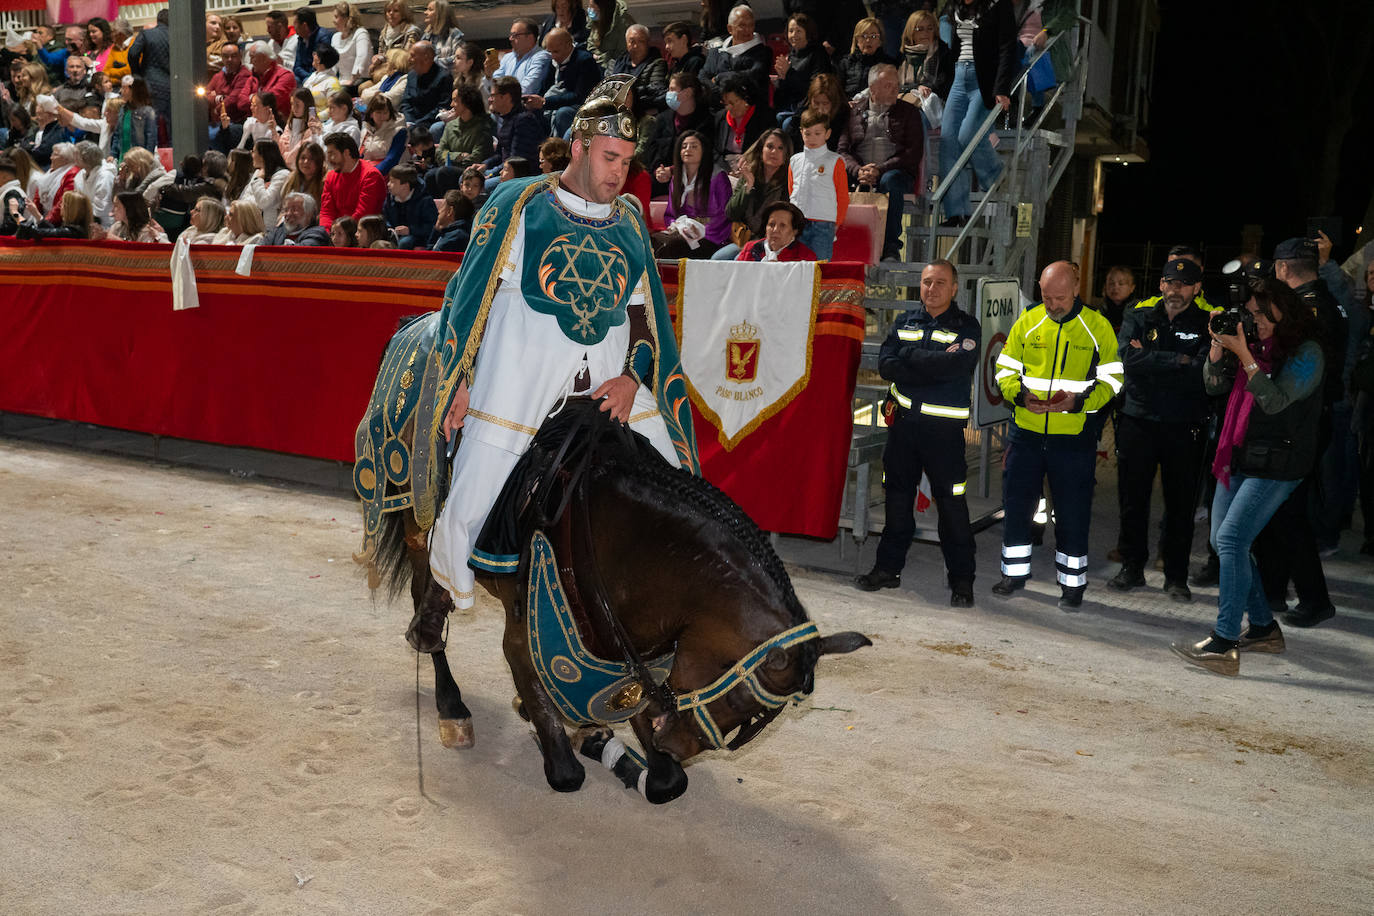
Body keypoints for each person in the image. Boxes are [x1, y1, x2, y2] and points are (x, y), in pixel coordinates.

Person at [424, 75, 698, 611]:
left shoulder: (631, 223)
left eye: (627, 162)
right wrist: (460, 380)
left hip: (607, 384)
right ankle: (440, 589)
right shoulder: (519, 202)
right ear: (578, 147)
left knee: (680, 481)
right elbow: (470, 295)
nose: (619, 173)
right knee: (469, 504)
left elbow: (646, 321)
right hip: (518, 379)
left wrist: (631, 379)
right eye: (609, 158)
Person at [1171, 278, 1326, 676]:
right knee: (1226, 543)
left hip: (1280, 463)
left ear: (1282, 311)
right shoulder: (1251, 346)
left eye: (1261, 314)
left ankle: (1224, 643)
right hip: (1239, 455)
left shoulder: (1307, 353)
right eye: (1251, 314)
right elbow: (1211, 384)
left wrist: (1246, 357)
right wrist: (1221, 350)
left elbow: (1274, 401)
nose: (1254, 321)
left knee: (1232, 539)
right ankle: (1262, 628)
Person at [993, 260, 1122, 609]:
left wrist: (1079, 403)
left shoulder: (1097, 326)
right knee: (1018, 507)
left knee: (1073, 512)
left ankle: (1072, 584)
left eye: (1060, 298)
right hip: (1026, 434)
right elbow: (1004, 367)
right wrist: (1019, 395)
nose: (1052, 305)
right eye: (1047, 297)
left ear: (1077, 289)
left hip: (1073, 438)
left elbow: (1113, 380)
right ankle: (1014, 573)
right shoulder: (1029, 319)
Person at [857, 259, 980, 604]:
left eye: (940, 283)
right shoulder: (905, 320)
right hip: (904, 430)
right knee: (897, 501)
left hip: (943, 436)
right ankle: (887, 569)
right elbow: (885, 365)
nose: (932, 289)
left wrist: (909, 358)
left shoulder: (967, 327)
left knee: (952, 506)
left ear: (954, 288)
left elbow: (956, 367)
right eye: (927, 282)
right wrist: (930, 360)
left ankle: (962, 581)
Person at [1251, 237, 1347, 628]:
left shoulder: (1306, 309)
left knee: (1289, 511)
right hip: (1307, 414)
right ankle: (1273, 589)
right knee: (1278, 510)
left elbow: (1297, 364)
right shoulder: (1325, 302)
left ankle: (1313, 597)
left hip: (1299, 418)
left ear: (1284, 268)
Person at [1108, 257, 1211, 601]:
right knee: (1132, 499)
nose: (1175, 290)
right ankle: (1132, 567)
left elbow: (1200, 372)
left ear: (1197, 289)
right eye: (1169, 283)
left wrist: (1154, 360)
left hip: (1183, 426)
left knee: (1180, 505)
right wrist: (1177, 360)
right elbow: (1127, 360)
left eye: (1183, 285)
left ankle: (1176, 577)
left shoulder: (1204, 323)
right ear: (1161, 285)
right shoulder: (1139, 315)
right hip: (1138, 421)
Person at [938, 0, 1017, 227]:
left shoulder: (997, 5)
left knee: (968, 135)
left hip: (984, 80)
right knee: (948, 143)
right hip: (958, 78)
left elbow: (1007, 46)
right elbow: (949, 49)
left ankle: (995, 175)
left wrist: (1002, 88)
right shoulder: (953, 8)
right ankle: (957, 212)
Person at [837, 63, 922, 262]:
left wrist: (880, 169)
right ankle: (849, 245)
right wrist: (858, 170)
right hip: (861, 171)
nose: (896, 90)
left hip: (896, 171)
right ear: (873, 89)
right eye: (888, 86)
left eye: (897, 85)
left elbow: (912, 153)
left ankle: (891, 247)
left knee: (890, 182)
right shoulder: (853, 112)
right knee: (835, 179)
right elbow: (842, 151)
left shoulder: (909, 112)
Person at [711, 127, 789, 260]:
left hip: (773, 243)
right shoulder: (749, 175)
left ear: (786, 154)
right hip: (746, 240)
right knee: (717, 260)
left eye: (780, 148)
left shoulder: (787, 182)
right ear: (761, 150)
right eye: (770, 146)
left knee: (740, 261)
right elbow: (731, 213)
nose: (774, 152)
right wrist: (748, 186)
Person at [652, 129, 730, 259]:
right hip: (682, 232)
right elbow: (671, 214)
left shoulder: (717, 177)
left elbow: (725, 215)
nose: (688, 149)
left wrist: (700, 231)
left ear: (704, 151)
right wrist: (678, 226)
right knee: (654, 240)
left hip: (711, 236)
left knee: (673, 245)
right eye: (684, 146)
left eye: (694, 146)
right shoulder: (676, 178)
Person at [788, 107, 848, 261]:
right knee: (795, 266)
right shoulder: (795, 160)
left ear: (827, 134)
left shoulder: (835, 161)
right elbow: (791, 189)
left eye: (817, 133)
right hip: (797, 224)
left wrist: (836, 223)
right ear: (801, 132)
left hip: (823, 225)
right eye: (807, 133)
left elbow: (842, 196)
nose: (812, 138)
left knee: (819, 269)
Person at [641, 71, 710, 182]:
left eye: (672, 90)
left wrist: (672, 170)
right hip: (659, 177)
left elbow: (705, 156)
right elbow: (652, 149)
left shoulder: (705, 121)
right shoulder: (663, 118)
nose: (668, 94)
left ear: (687, 93)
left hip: (690, 177)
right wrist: (658, 169)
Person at [483, 76, 547, 188]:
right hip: (505, 170)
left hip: (521, 178)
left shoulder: (524, 120)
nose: (490, 99)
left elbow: (516, 161)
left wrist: (491, 173)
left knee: (481, 186)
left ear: (506, 97)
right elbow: (500, 154)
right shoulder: (506, 119)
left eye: (493, 95)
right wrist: (484, 165)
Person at [699, 5, 771, 104]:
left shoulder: (762, 53)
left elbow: (751, 76)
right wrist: (720, 93)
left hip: (749, 110)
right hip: (716, 110)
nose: (748, 30)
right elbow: (703, 78)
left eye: (751, 25)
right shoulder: (716, 52)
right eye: (742, 25)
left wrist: (718, 78)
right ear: (730, 29)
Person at [772, 13, 832, 128]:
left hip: (809, 107)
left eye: (798, 31)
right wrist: (780, 80)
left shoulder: (818, 54)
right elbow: (786, 92)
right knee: (775, 118)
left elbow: (815, 89)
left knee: (788, 124)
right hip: (791, 106)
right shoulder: (790, 56)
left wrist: (788, 74)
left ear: (808, 33)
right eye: (791, 31)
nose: (794, 35)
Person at [319, 132, 385, 230]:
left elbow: (363, 214)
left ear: (346, 153)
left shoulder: (370, 176)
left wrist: (338, 234)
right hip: (337, 233)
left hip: (362, 232)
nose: (328, 159)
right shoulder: (331, 176)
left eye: (332, 154)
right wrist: (327, 233)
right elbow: (326, 212)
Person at [712, 76, 776, 173]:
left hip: (751, 168)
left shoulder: (764, 118)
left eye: (732, 103)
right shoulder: (720, 117)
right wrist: (725, 168)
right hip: (723, 168)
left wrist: (746, 166)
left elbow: (763, 150)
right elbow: (714, 150)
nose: (728, 108)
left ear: (746, 100)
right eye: (725, 103)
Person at [897, 10, 954, 113]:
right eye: (920, 29)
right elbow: (896, 86)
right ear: (911, 32)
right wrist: (916, 88)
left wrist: (925, 90)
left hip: (935, 102)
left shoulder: (943, 53)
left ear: (935, 31)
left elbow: (945, 86)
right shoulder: (902, 55)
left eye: (930, 28)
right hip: (906, 98)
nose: (925, 33)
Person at [207, 42, 258, 151]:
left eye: (233, 56)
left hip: (236, 121)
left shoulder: (245, 74)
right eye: (226, 56)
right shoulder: (218, 75)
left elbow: (233, 101)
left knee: (212, 136)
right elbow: (205, 95)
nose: (229, 59)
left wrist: (216, 108)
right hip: (217, 121)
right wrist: (219, 98)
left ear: (240, 56)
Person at [128, 8, 171, 138]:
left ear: (158, 20)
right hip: (174, 85)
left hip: (150, 84)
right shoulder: (179, 36)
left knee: (150, 125)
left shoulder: (147, 34)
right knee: (173, 127)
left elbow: (133, 53)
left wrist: (137, 74)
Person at [609, 25, 666, 113]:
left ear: (648, 43)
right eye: (632, 41)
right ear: (626, 43)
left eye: (641, 41)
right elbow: (608, 90)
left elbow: (655, 92)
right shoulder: (615, 63)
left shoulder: (657, 63)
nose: (635, 46)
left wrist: (628, 92)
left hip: (645, 113)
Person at [734, 200, 815, 262]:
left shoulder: (806, 257)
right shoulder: (751, 249)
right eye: (771, 224)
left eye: (782, 225)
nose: (775, 230)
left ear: (795, 231)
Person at [836, 18, 896, 100]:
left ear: (880, 41)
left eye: (874, 36)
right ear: (857, 40)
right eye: (863, 36)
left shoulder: (888, 64)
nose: (868, 40)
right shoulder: (846, 63)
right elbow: (838, 93)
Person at [436, 84, 493, 170]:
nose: (451, 104)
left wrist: (449, 156)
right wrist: (460, 156)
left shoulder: (482, 128)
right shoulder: (451, 126)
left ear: (467, 102)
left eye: (455, 100)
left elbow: (476, 158)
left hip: (471, 171)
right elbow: (440, 153)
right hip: (450, 168)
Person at [381, 163, 437, 249]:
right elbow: (386, 218)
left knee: (405, 242)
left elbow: (431, 227)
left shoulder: (425, 201)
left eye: (392, 182)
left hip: (418, 238)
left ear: (405, 185)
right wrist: (389, 229)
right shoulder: (389, 199)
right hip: (394, 235)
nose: (388, 184)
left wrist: (410, 230)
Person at [401, 42, 453, 131]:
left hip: (429, 124)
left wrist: (417, 125)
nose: (409, 59)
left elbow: (442, 108)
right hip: (410, 123)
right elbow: (406, 102)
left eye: (413, 56)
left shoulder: (444, 77)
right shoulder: (411, 75)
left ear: (426, 58)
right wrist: (409, 121)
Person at [494, 17, 553, 96]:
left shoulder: (541, 56)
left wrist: (502, 96)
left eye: (515, 35)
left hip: (527, 106)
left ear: (530, 37)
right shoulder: (507, 57)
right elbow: (495, 84)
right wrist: (488, 75)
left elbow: (528, 88)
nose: (510, 39)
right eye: (511, 35)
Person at [248, 41, 297, 124]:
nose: (250, 62)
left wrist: (251, 98)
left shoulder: (285, 76)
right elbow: (240, 102)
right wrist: (255, 101)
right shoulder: (253, 76)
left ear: (263, 58)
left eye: (253, 57)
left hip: (278, 123)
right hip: (254, 121)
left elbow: (269, 102)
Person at [16, 188, 92, 239]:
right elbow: (53, 231)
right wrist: (37, 214)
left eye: (64, 205)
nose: (61, 207)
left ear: (71, 210)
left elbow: (39, 233)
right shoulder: (76, 230)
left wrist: (18, 217)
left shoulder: (73, 231)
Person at [360, 95, 408, 175]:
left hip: (391, 174)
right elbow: (360, 156)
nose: (382, 116)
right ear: (371, 114)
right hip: (368, 170)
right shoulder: (365, 129)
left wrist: (370, 174)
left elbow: (392, 160)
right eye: (378, 112)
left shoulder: (400, 131)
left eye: (385, 113)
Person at [331, 3, 372, 93]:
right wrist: (330, 80)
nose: (333, 21)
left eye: (336, 17)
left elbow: (362, 57)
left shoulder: (361, 33)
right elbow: (333, 64)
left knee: (339, 93)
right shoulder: (335, 37)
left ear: (347, 18)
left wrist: (352, 80)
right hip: (342, 81)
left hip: (360, 80)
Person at [247, 140, 290, 226]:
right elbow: (246, 197)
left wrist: (259, 180)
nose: (251, 155)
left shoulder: (283, 174)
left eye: (253, 151)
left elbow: (263, 202)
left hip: (270, 228)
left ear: (262, 155)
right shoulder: (258, 172)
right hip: (253, 222)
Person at [262, 191, 330, 245]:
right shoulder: (277, 232)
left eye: (295, 210)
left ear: (310, 214)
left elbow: (297, 253)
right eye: (285, 210)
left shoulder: (317, 234)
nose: (288, 213)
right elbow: (259, 249)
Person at [72, 139, 115, 227]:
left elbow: (101, 209)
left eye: (76, 154)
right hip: (85, 221)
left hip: (104, 224)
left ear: (86, 158)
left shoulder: (105, 176)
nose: (74, 157)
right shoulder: (80, 175)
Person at [290, 8, 335, 87]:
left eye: (295, 24)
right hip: (306, 76)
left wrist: (309, 77)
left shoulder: (323, 37)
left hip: (321, 76)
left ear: (304, 25)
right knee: (291, 80)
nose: (294, 27)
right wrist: (307, 76)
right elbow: (297, 66)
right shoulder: (301, 38)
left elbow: (322, 65)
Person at [279, 88, 323, 165]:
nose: (294, 108)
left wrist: (287, 156)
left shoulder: (315, 126)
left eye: (297, 104)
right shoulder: (290, 123)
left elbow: (303, 148)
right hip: (286, 163)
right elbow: (282, 143)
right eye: (292, 104)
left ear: (306, 105)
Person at [359, 48, 410, 113]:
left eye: (388, 60)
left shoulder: (404, 80)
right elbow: (364, 93)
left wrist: (376, 94)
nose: (386, 63)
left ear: (394, 62)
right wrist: (377, 94)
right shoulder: (387, 77)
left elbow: (387, 100)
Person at [586, 0, 633, 71]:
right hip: (597, 60)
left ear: (602, 8)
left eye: (592, 7)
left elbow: (623, 53)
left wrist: (601, 58)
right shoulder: (595, 18)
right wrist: (593, 54)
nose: (589, 9)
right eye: (589, 6)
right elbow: (591, 41)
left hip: (617, 65)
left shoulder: (623, 24)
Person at [420, 0, 465, 71]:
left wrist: (432, 63)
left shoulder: (454, 34)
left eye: (430, 10)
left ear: (440, 14)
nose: (425, 12)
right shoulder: (426, 36)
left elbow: (458, 58)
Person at [1097, 264, 1138, 331]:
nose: (1115, 287)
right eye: (1111, 283)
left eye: (1121, 283)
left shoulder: (1139, 311)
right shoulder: (1098, 310)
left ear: (1132, 288)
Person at [304, 46, 343, 112]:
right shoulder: (313, 76)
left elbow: (333, 108)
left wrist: (314, 118)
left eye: (315, 54)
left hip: (320, 121)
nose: (313, 55)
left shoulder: (333, 83)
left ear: (319, 59)